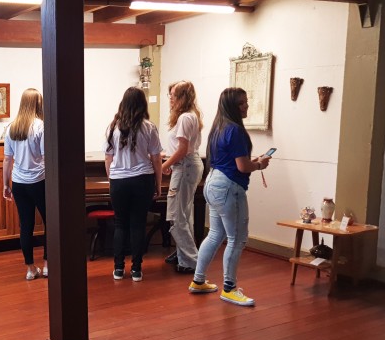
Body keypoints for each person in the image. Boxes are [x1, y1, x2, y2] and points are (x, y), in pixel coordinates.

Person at [188, 87, 271, 306]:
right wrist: (259, 164)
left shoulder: (219, 127)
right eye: (241, 103)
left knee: (215, 234)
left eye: (246, 101)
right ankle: (229, 288)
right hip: (228, 187)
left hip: (213, 182)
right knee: (237, 238)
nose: (246, 106)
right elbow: (242, 167)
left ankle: (198, 280)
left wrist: (253, 161)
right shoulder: (235, 130)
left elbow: (233, 161)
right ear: (232, 107)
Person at [105, 87, 163, 282]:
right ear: (142, 104)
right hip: (142, 179)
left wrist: (112, 180)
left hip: (118, 181)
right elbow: (156, 158)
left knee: (120, 223)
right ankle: (136, 269)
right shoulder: (149, 127)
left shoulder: (112, 127)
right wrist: (158, 183)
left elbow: (108, 158)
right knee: (138, 224)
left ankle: (118, 269)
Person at [3, 88, 47, 280]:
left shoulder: (12, 127)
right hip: (39, 181)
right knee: (49, 223)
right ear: (38, 104)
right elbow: (46, 157)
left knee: (26, 226)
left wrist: (6, 185)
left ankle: (30, 269)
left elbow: (7, 159)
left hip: (19, 183)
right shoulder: (40, 126)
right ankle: (47, 265)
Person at [161, 81, 204, 274]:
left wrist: (164, 165)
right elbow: (180, 149)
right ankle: (183, 254)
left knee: (176, 216)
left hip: (185, 166)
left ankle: (191, 260)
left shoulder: (186, 117)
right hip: (185, 165)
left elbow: (182, 149)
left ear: (182, 97)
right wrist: (168, 158)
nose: (170, 98)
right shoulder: (189, 116)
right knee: (184, 214)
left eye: (173, 95)